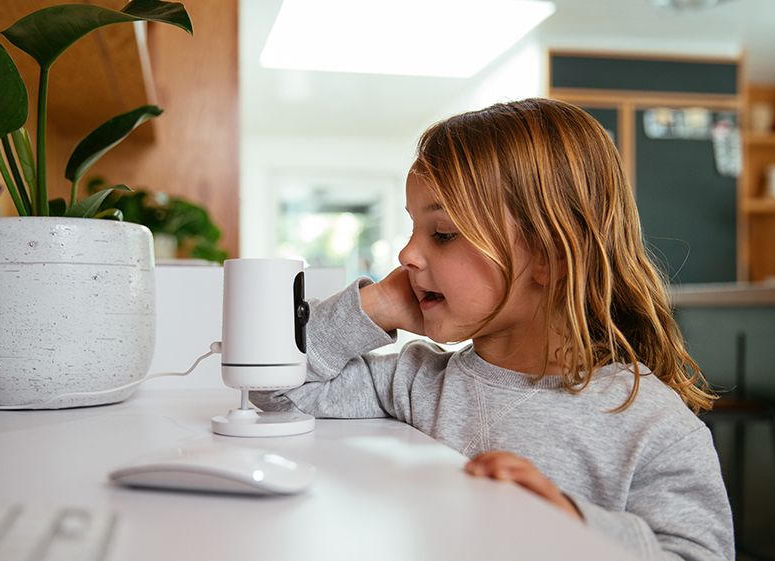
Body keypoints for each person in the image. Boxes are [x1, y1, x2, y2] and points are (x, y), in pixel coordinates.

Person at [251, 98, 734, 560]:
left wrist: (569, 523)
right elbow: (272, 385)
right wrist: (374, 305)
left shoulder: (652, 425)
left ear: (549, 257)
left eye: (442, 234)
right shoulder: (418, 383)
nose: (406, 256)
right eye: (414, 230)